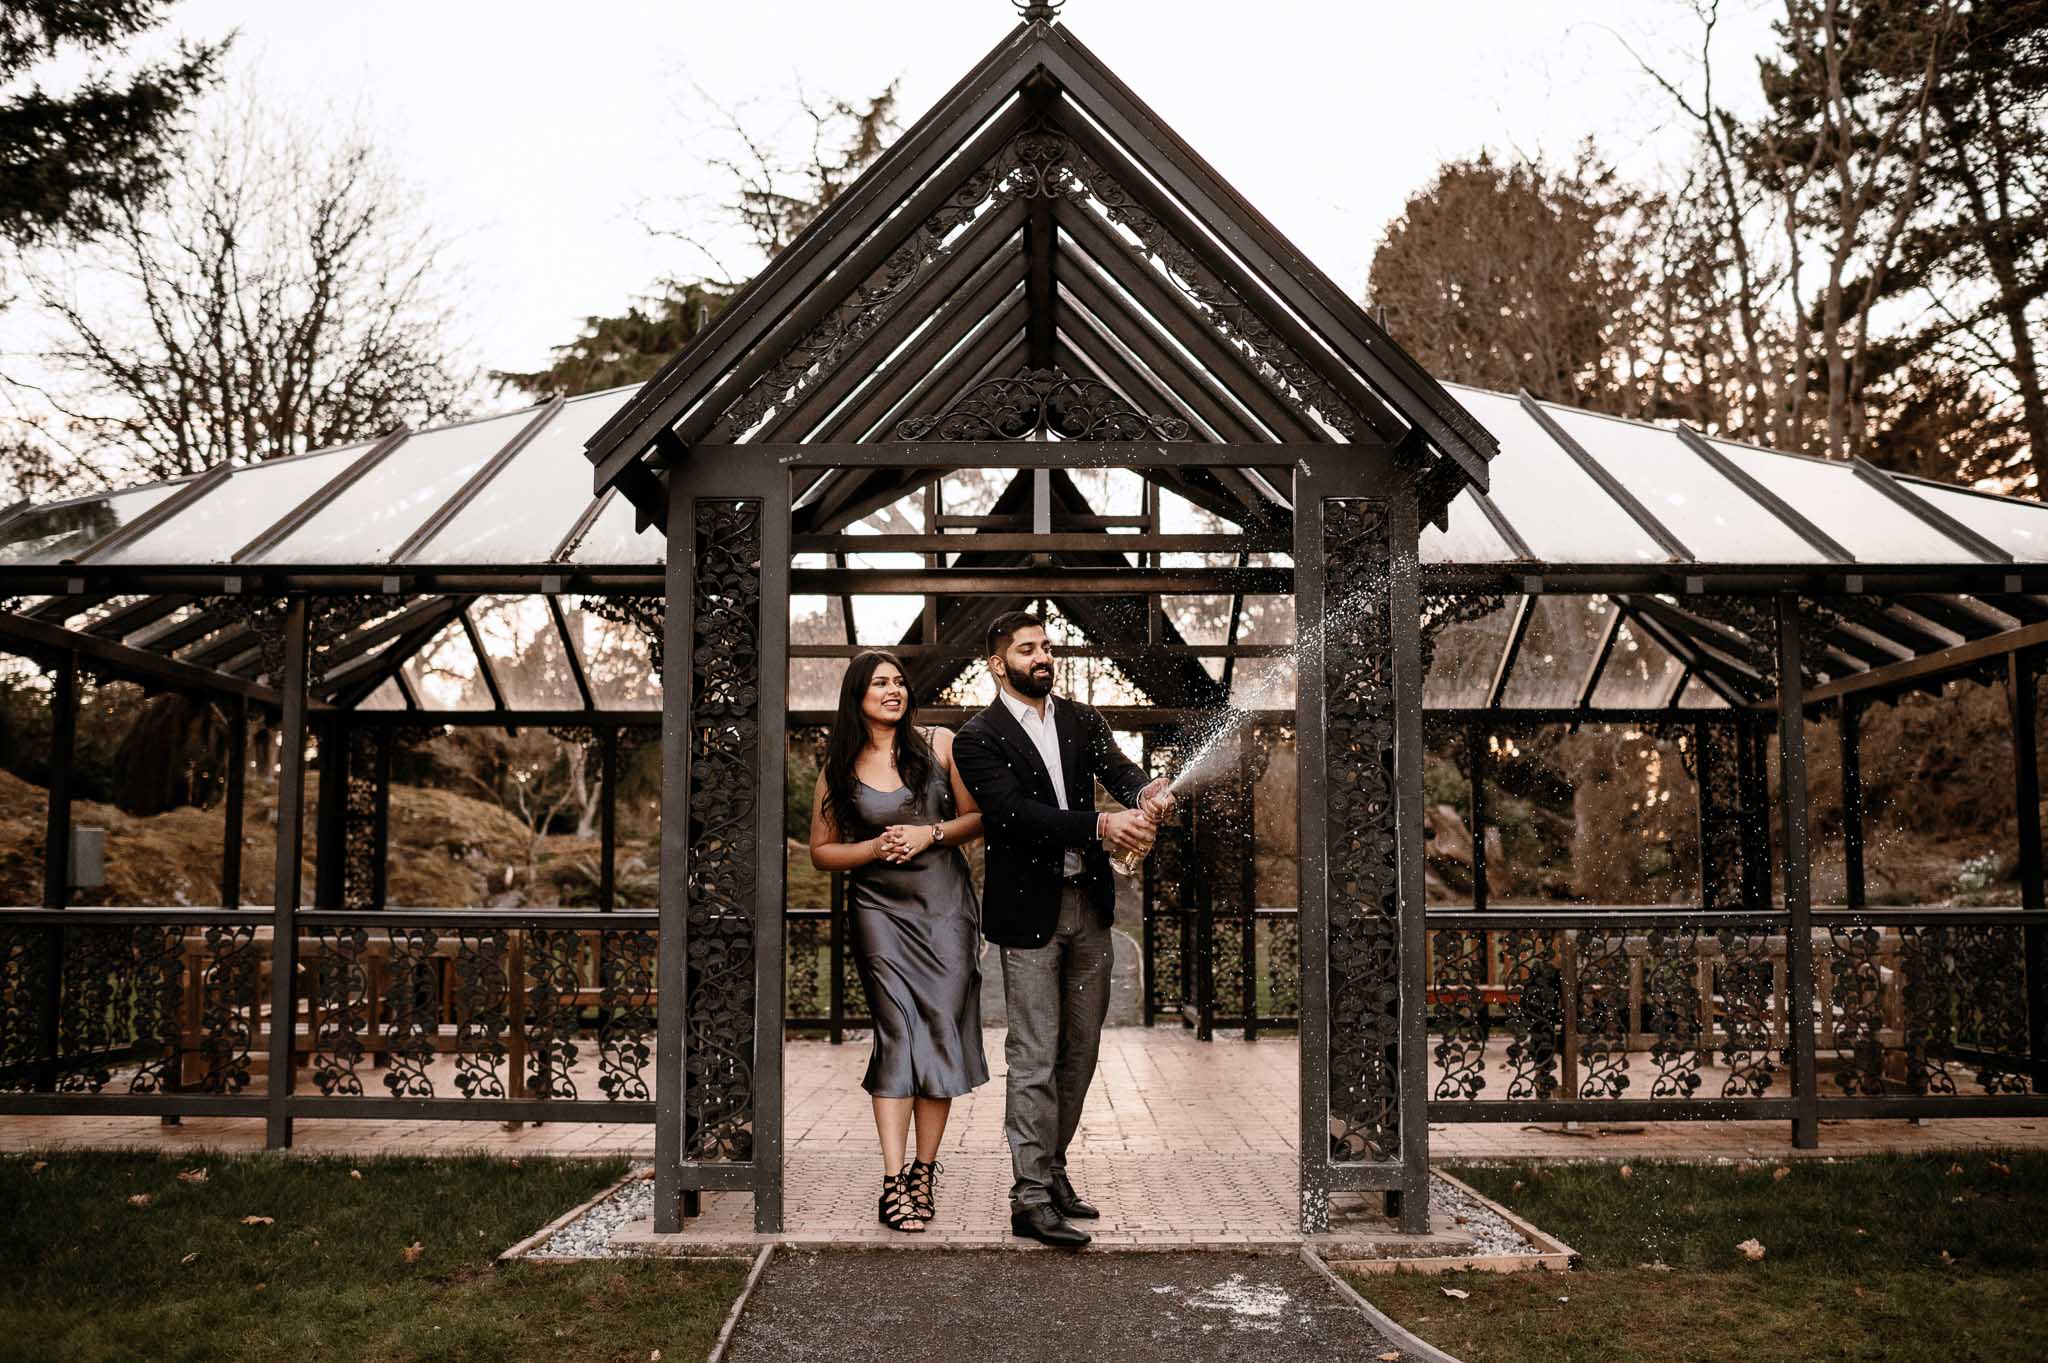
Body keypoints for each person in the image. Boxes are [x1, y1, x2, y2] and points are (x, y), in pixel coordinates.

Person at [953, 611, 1174, 1247]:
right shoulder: (979, 737)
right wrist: (1101, 827)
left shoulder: (1082, 720)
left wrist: (1146, 792)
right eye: (1027, 649)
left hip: (1090, 910)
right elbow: (1013, 816)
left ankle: (1052, 1170)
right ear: (999, 665)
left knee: (1079, 1052)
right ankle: (1028, 1198)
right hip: (1027, 918)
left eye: (1046, 646)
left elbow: (1121, 772)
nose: (1042, 656)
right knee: (1034, 1055)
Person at [808, 650, 989, 1234]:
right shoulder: (838, 765)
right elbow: (822, 851)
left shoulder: (940, 743)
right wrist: (874, 849)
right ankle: (891, 1183)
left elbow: (976, 817)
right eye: (880, 683)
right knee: (897, 1033)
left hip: (945, 910)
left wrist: (927, 833)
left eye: (899, 682)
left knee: (939, 1031)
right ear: (857, 694)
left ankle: (923, 1173)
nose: (893, 690)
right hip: (878, 911)